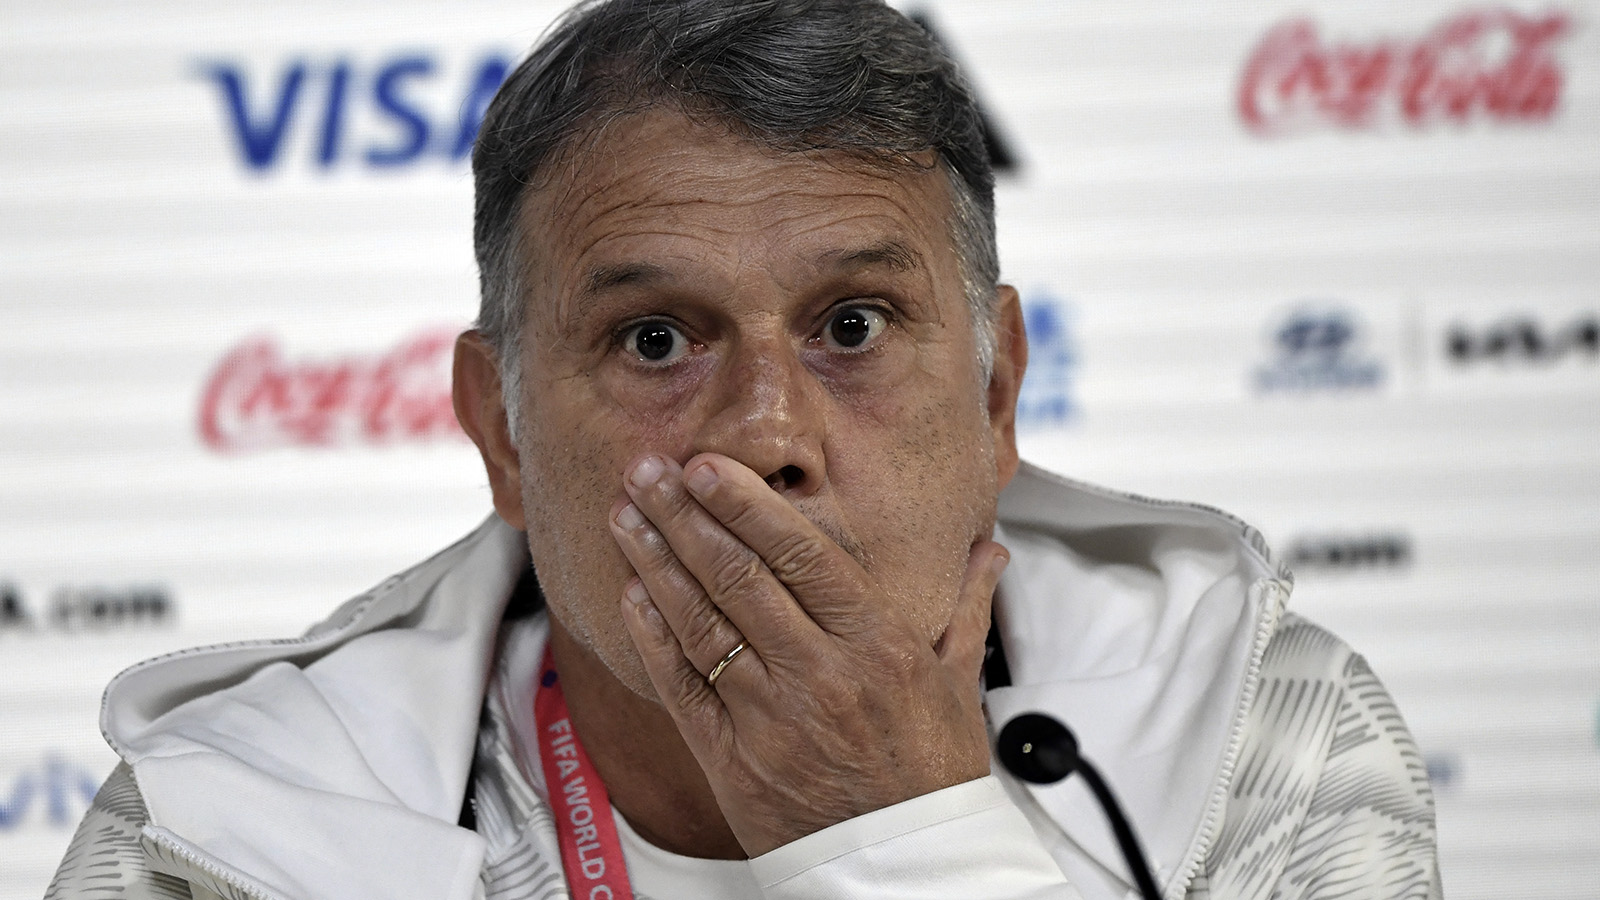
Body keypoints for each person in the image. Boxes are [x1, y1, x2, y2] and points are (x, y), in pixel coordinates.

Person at [47, 1, 1440, 898]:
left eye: (853, 325)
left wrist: (904, 828)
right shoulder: (212, 838)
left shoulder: (1270, 732)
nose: (769, 435)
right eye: (656, 340)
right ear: (503, 433)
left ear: (998, 392)